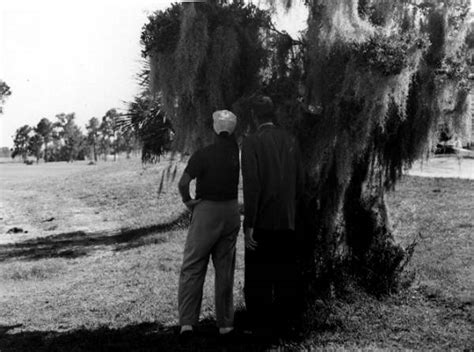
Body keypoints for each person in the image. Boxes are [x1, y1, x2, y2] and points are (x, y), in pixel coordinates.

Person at [241, 96, 304, 337]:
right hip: (287, 220)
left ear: (255, 117)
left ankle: (261, 327)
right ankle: (286, 326)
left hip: (263, 222)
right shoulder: (290, 139)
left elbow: (252, 187)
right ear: (272, 114)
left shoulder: (251, 142)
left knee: (259, 278)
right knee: (285, 273)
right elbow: (300, 183)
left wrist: (249, 225)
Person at [177, 110, 240, 341]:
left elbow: (183, 183)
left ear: (215, 128)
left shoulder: (203, 154)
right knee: (225, 269)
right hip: (231, 211)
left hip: (207, 211)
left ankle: (187, 323)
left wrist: (189, 201)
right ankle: (225, 324)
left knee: (193, 266)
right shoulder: (236, 153)